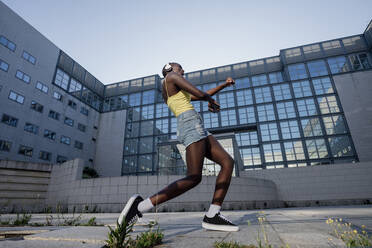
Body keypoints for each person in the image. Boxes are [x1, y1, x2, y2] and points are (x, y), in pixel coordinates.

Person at [118, 62, 239, 232]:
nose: (183, 70)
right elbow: (200, 93)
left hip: (196, 125)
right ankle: (139, 208)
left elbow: (201, 95)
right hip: (190, 124)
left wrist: (224, 85)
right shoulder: (171, 77)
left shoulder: (176, 90)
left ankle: (213, 214)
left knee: (227, 162)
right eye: (180, 67)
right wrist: (210, 101)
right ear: (171, 69)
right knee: (193, 177)